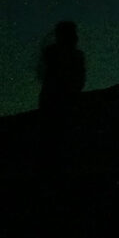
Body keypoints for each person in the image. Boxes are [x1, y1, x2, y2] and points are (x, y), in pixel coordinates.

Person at [36, 20, 86, 167]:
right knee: (56, 136)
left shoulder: (61, 53)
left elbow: (79, 78)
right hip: (56, 99)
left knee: (58, 137)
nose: (74, 37)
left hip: (61, 100)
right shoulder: (55, 53)